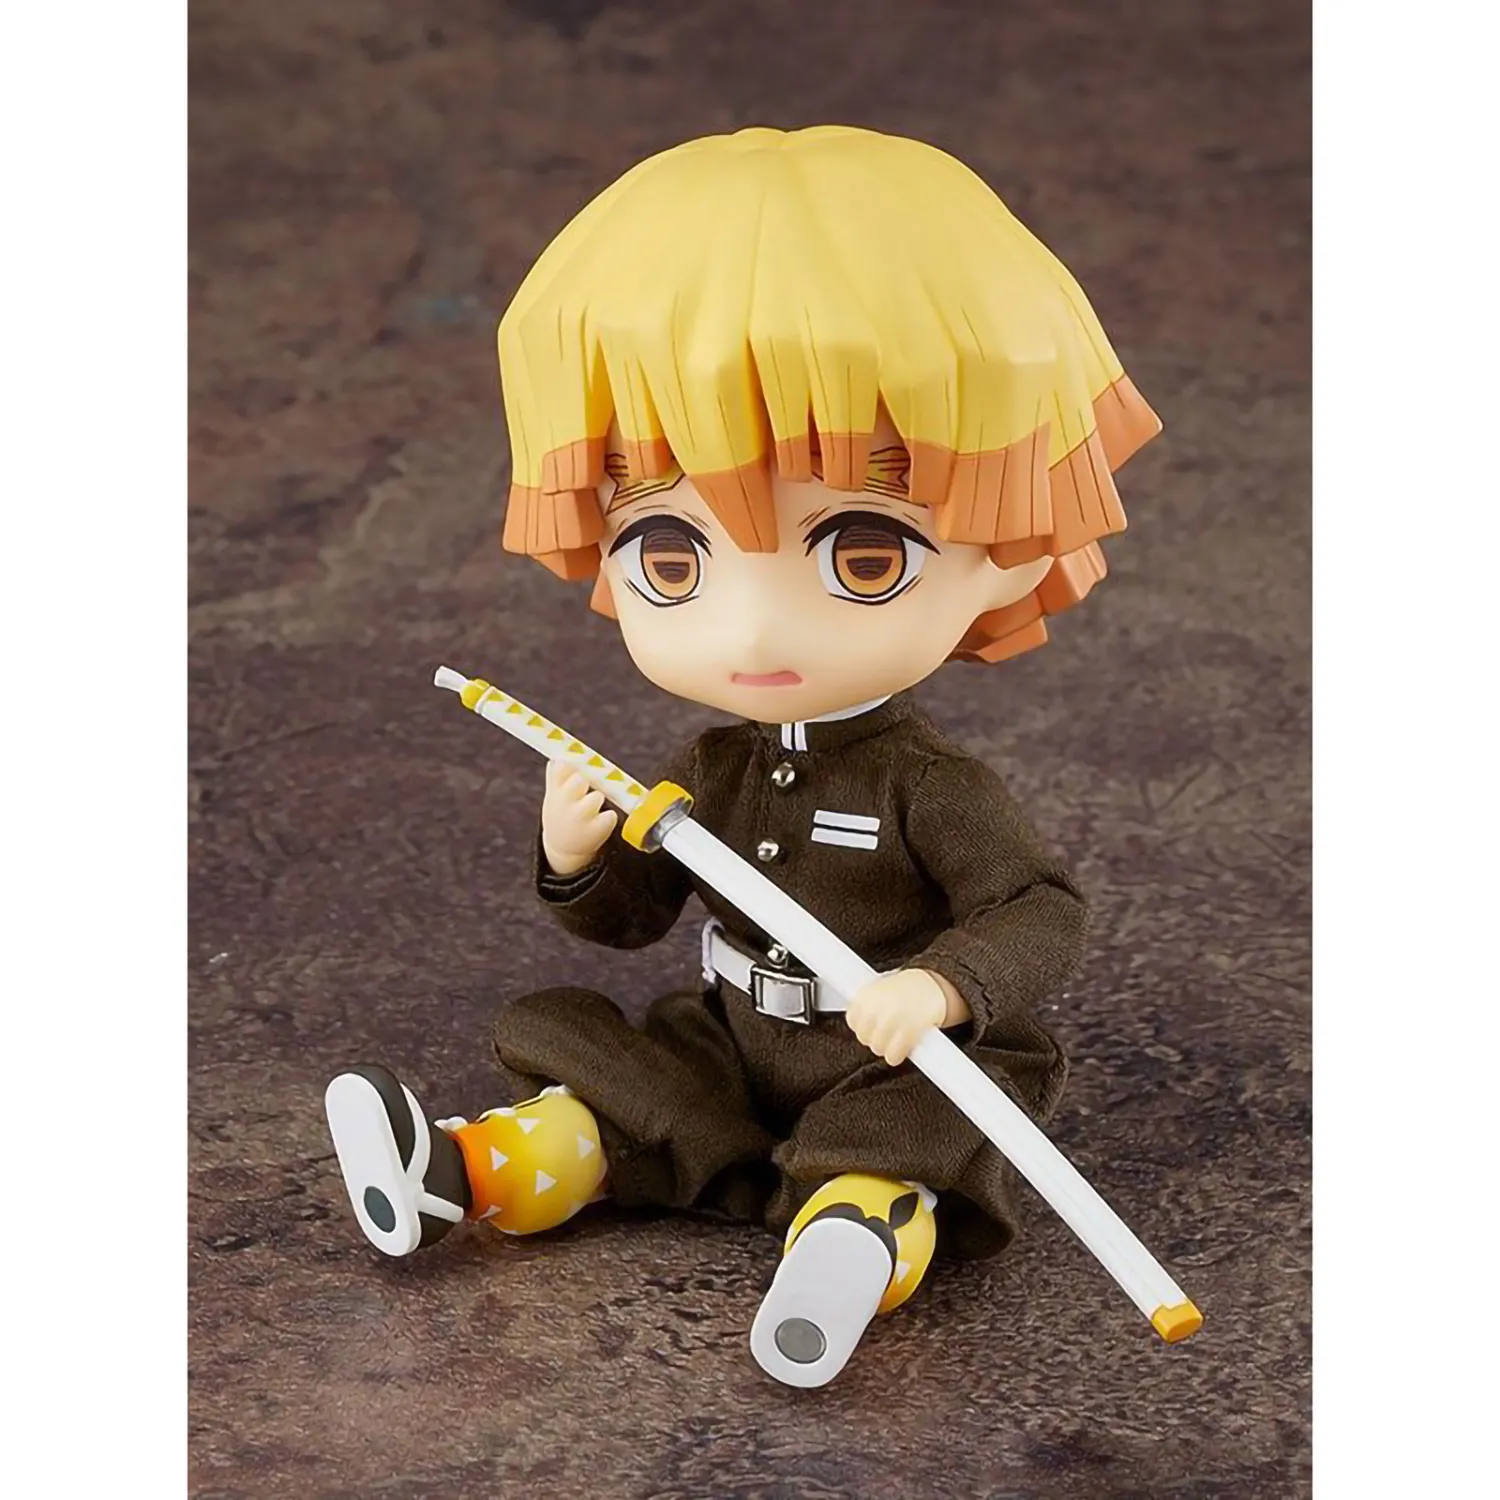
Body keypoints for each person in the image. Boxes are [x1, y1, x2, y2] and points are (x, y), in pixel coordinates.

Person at [325, 125, 1160, 1387]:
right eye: (671, 557)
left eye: (863, 555)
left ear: (1017, 544)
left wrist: (941, 990)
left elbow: (1040, 909)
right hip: (730, 1036)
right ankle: (466, 1174)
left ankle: (849, 1253)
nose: (755, 631)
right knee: (620, 1087)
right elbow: (632, 918)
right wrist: (576, 857)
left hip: (885, 1058)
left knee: (898, 1140)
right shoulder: (713, 764)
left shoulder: (929, 786)